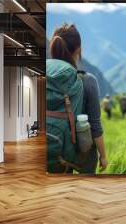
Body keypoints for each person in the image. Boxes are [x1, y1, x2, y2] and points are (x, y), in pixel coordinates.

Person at [46, 23, 108, 174]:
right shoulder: (87, 80)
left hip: (50, 146)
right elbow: (95, 125)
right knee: (89, 148)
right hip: (76, 153)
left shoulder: (45, 74)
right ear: (79, 49)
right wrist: (104, 157)